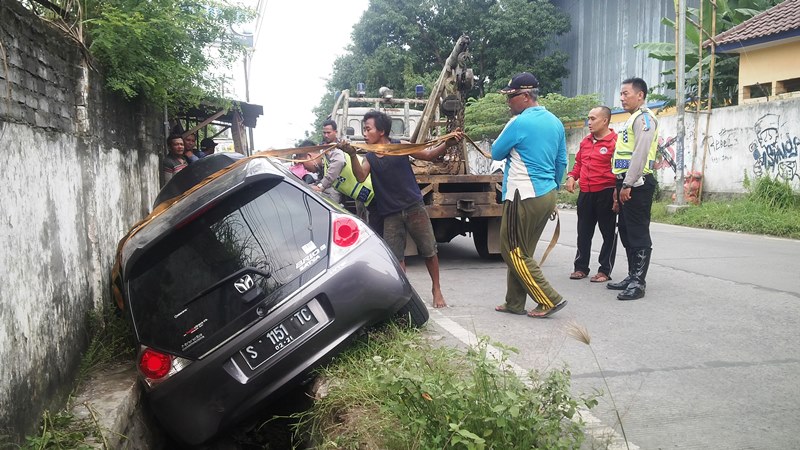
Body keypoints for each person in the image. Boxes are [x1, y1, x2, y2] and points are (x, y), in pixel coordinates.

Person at [339, 110, 461, 309]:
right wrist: (352, 155)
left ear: (381, 131)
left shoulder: (401, 147)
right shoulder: (368, 157)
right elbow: (361, 177)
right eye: (364, 129)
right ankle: (406, 295)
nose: (364, 133)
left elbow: (429, 155)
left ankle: (436, 289)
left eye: (368, 129)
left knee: (429, 250)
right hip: (390, 214)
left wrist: (447, 143)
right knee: (396, 258)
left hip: (413, 207)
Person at [491, 72, 568, 318]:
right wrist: (552, 190)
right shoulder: (555, 122)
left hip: (521, 194)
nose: (508, 102)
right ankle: (514, 302)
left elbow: (496, 152)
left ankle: (549, 299)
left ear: (525, 96)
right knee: (523, 250)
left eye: (511, 96)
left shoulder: (519, 122)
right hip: (546, 195)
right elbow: (561, 162)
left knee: (512, 250)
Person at [607, 77, 659, 301]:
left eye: (626, 93)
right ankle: (631, 275)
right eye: (621, 94)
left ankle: (639, 282)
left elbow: (640, 153)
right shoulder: (632, 119)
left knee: (638, 231)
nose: (622, 98)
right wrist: (619, 184)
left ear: (640, 95)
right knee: (626, 230)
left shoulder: (645, 119)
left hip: (637, 183)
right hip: (625, 182)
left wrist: (628, 183)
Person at [565, 106, 619, 283]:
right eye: (588, 118)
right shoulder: (586, 141)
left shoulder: (615, 142)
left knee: (608, 234)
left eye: (593, 118)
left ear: (605, 121)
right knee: (584, 232)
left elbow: (620, 170)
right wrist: (572, 177)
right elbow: (579, 163)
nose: (589, 122)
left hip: (606, 192)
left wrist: (617, 193)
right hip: (586, 193)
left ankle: (604, 270)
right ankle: (581, 267)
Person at [311, 119, 346, 203]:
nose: (326, 135)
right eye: (324, 133)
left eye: (328, 133)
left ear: (335, 132)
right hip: (331, 184)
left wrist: (322, 186)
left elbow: (340, 162)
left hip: (340, 185)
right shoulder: (321, 148)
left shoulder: (342, 146)